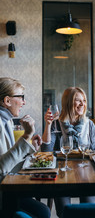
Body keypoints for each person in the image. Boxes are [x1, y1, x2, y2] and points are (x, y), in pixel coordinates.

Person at [42, 87, 95, 217]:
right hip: (63, 173)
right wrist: (48, 125)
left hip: (86, 172)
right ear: (68, 103)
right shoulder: (56, 124)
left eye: (84, 100)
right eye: (77, 101)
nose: (82, 104)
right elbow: (46, 151)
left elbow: (94, 151)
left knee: (90, 211)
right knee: (64, 212)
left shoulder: (89, 125)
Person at [0, 77, 51, 218]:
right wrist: (27, 135)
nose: (24, 102)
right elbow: (2, 168)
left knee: (44, 211)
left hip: (9, 189)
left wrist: (31, 146)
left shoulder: (7, 121)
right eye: (21, 97)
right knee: (43, 212)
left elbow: (11, 164)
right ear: (7, 101)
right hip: (3, 195)